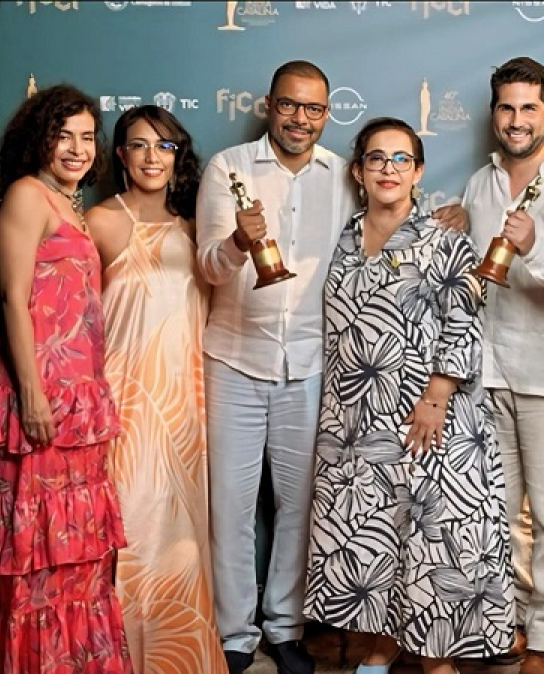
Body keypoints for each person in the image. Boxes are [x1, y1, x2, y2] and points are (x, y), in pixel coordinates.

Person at [302, 116, 513, 674]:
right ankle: (383, 644)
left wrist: (436, 397)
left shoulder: (446, 240)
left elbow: (464, 321)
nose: (388, 169)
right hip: (355, 420)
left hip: (427, 413)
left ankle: (435, 659)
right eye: (376, 158)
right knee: (376, 537)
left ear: (418, 172)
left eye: (401, 159)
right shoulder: (342, 238)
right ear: (358, 171)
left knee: (429, 542)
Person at [195, 60, 356, 674]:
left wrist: (452, 216)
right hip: (234, 359)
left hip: (311, 364)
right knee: (231, 507)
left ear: (326, 114)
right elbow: (208, 267)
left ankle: (286, 627)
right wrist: (238, 243)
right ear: (269, 105)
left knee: (300, 504)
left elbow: (388, 224)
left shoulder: (344, 176)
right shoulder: (228, 167)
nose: (300, 119)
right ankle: (234, 633)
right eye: (290, 105)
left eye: (313, 108)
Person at [437, 56, 544, 674]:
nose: (517, 119)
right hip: (486, 370)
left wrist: (533, 249)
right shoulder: (480, 183)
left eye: (529, 107)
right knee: (496, 514)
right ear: (494, 113)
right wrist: (455, 221)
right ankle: (508, 623)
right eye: (507, 107)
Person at [0, 85, 130, 672]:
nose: (77, 148)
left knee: (77, 551)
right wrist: (32, 396)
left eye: (87, 137)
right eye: (63, 136)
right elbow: (13, 299)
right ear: (39, 138)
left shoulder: (73, 206)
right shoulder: (27, 196)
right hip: (37, 397)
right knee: (34, 555)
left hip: (80, 403)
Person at [86, 105, 226, 674]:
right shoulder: (98, 222)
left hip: (185, 410)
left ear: (177, 157)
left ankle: (178, 660)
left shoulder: (195, 231)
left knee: (180, 541)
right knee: (130, 530)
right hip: (123, 403)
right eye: (140, 145)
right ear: (121, 155)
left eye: (164, 147)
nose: (152, 157)